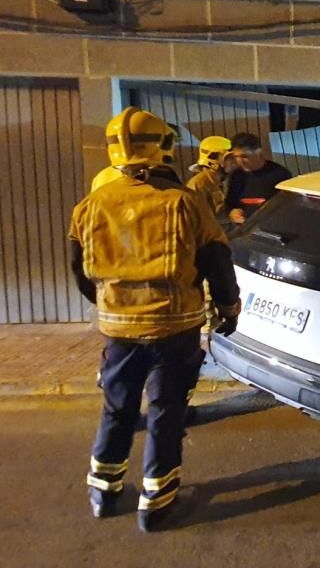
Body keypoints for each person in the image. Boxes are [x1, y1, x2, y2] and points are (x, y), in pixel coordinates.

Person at [69, 107, 240, 532]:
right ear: (164, 146)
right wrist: (229, 309)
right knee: (166, 410)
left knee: (117, 407)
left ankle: (103, 493)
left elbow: (79, 269)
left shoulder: (90, 205)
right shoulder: (184, 202)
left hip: (118, 329)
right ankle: (157, 501)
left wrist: (112, 304)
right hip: (174, 327)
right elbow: (218, 260)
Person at [225, 132, 291, 225]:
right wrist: (232, 212)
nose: (240, 161)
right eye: (236, 157)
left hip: (272, 228)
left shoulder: (280, 175)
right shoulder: (237, 176)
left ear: (259, 153)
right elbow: (230, 202)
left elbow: (289, 207)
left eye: (245, 156)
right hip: (244, 230)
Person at [187, 135, 233, 218]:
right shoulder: (198, 184)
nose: (234, 161)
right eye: (229, 158)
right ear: (213, 158)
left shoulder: (220, 181)